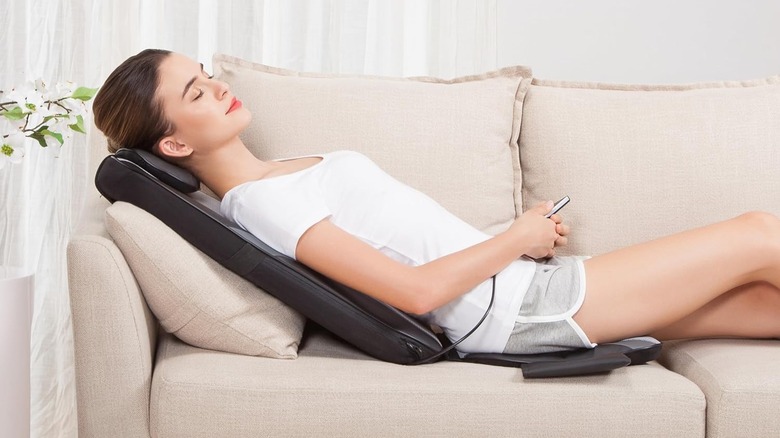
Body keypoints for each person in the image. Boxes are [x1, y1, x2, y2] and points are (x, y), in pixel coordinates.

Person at [93, 49, 780, 355]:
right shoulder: (260, 206)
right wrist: (520, 235)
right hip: (511, 309)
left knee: (767, 305)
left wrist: (522, 250)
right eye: (194, 94)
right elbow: (416, 293)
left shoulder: (278, 174)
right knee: (759, 234)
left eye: (207, 76)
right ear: (175, 145)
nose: (216, 88)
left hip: (521, 290)